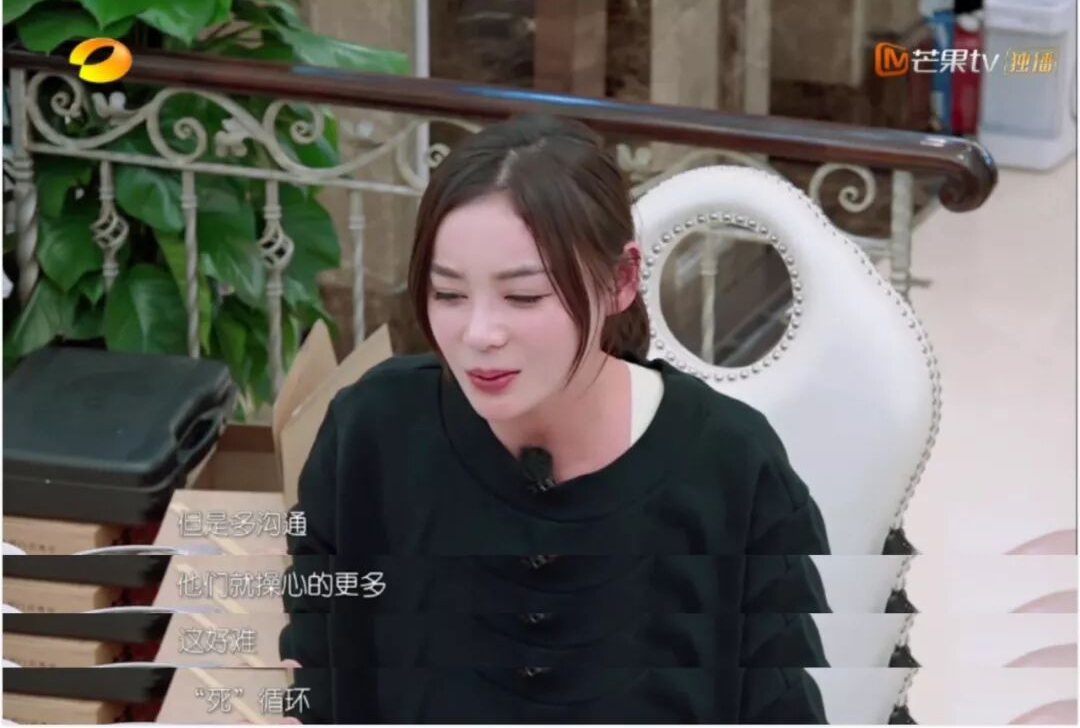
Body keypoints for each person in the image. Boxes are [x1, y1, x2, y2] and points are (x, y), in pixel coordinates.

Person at [279, 113, 832, 723]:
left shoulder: (732, 463)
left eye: (523, 296)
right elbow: (320, 685)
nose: (479, 334)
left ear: (621, 280)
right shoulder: (370, 434)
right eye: (449, 294)